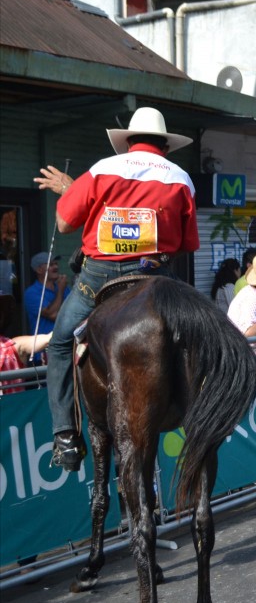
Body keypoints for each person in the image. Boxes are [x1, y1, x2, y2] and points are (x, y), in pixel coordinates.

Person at [33, 107, 199, 471]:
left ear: (127, 142)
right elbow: (187, 242)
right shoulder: (181, 177)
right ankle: (201, 415)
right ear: (166, 146)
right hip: (156, 277)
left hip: (99, 278)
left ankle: (65, 437)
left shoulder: (100, 170)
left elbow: (63, 224)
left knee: (60, 343)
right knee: (197, 340)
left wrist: (72, 188)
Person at [23, 252, 68, 336]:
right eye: (51, 265)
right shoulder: (32, 293)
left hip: (65, 341)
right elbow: (53, 315)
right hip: (43, 345)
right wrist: (60, 290)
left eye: (56, 264)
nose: (56, 267)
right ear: (39, 270)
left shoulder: (63, 287)